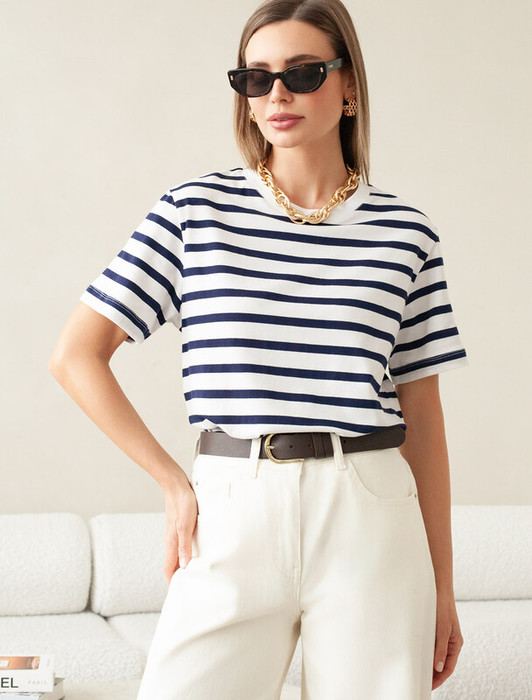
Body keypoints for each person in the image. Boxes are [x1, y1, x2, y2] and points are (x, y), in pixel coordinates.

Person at [49, 0, 468, 697]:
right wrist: (172, 482)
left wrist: (443, 587)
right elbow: (75, 355)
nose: (277, 94)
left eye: (303, 73)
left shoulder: (405, 233)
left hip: (369, 510)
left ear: (349, 85)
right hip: (231, 503)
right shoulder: (194, 211)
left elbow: (423, 419)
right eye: (256, 77)